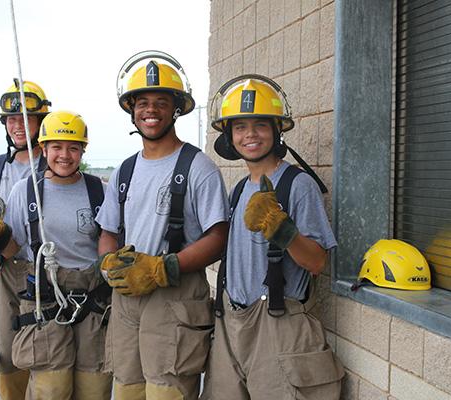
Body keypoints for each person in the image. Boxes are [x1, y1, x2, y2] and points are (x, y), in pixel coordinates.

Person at [94, 50, 229, 400]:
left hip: (176, 297)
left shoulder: (199, 168)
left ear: (177, 109)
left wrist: (163, 267)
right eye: (141, 103)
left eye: (160, 102)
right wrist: (109, 264)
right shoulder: (123, 171)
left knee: (167, 393)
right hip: (126, 301)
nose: (150, 110)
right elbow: (108, 232)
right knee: (126, 390)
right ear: (131, 110)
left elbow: (219, 236)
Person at [201, 75, 344, 399]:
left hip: (278, 323)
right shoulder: (238, 189)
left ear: (277, 130)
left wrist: (283, 230)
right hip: (231, 323)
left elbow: (317, 261)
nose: (250, 134)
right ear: (229, 136)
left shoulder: (298, 184)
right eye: (240, 127)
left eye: (260, 125)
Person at [0, 110, 112, 399]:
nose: (65, 155)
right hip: (46, 304)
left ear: (83, 150)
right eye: (57, 147)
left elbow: (113, 242)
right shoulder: (26, 193)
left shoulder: (99, 191)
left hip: (93, 303)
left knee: (94, 390)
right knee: (51, 389)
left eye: (73, 148)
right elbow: (16, 253)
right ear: (44, 149)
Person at [0, 79, 50, 398]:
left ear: (42, 122)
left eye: (26, 118)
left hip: (47, 271)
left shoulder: (56, 164)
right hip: (6, 272)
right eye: (11, 119)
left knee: (49, 354)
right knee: (7, 355)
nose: (17, 126)